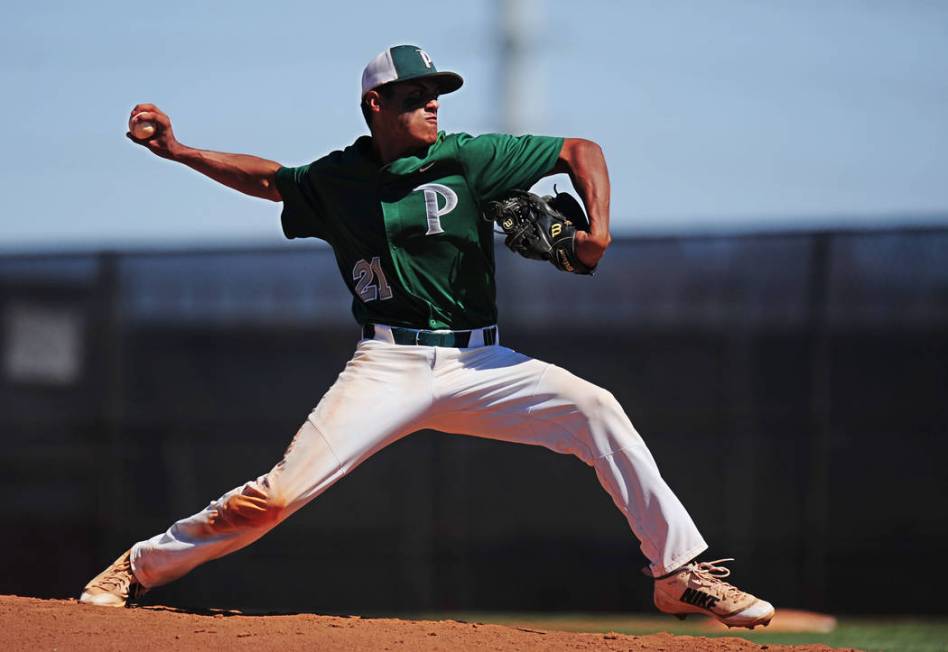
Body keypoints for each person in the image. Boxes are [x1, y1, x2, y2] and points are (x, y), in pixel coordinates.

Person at [80, 45, 774, 629]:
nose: (433, 104)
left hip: (482, 361)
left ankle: (678, 574)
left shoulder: (467, 158)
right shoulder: (339, 178)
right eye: (415, 94)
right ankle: (139, 567)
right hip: (388, 363)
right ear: (375, 106)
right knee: (277, 497)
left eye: (437, 92)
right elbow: (270, 179)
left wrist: (597, 230)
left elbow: (577, 149)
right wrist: (178, 151)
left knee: (595, 408)